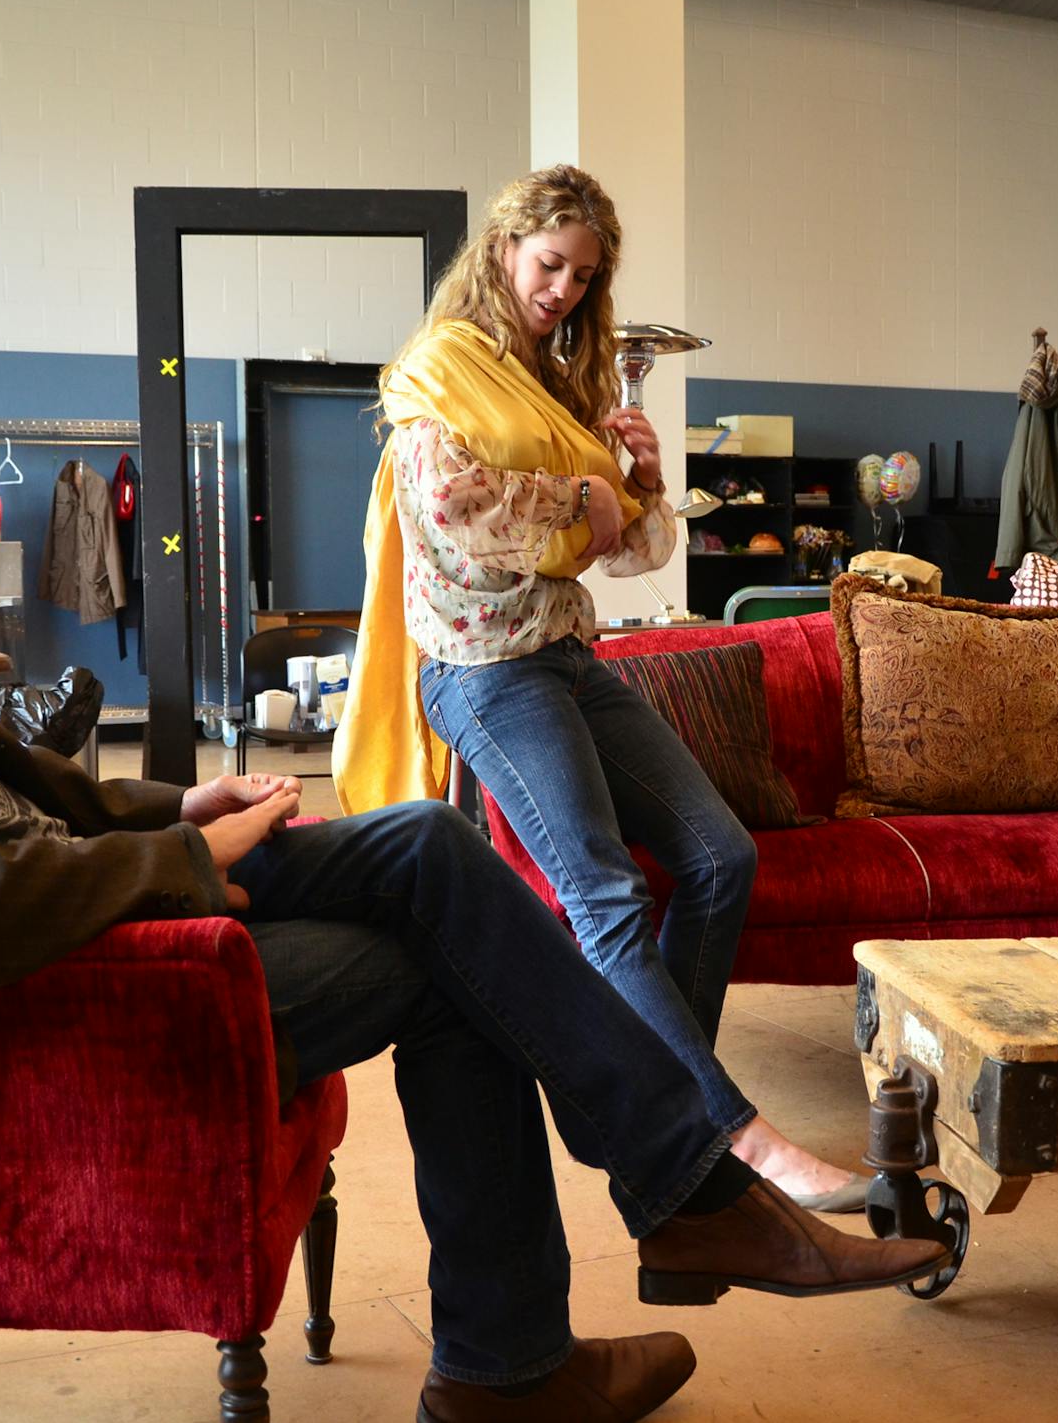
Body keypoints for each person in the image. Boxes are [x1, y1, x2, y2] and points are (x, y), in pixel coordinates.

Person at [0, 344, 948, 1423]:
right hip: (72, 984)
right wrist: (171, 862)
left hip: (106, 882)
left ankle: (643, 1229)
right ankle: (532, 1344)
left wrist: (179, 801)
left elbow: (5, 780)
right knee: (459, 967)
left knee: (428, 846)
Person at [338, 165, 863, 1211]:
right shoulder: (441, 368)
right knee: (606, 894)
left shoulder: (562, 386)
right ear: (503, 252)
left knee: (720, 855)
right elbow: (461, 515)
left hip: (569, 657)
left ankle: (652, 1111)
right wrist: (584, 491)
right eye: (550, 266)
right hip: (487, 674)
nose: (564, 292)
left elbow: (631, 552)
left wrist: (640, 479)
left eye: (583, 276)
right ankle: (727, 1138)